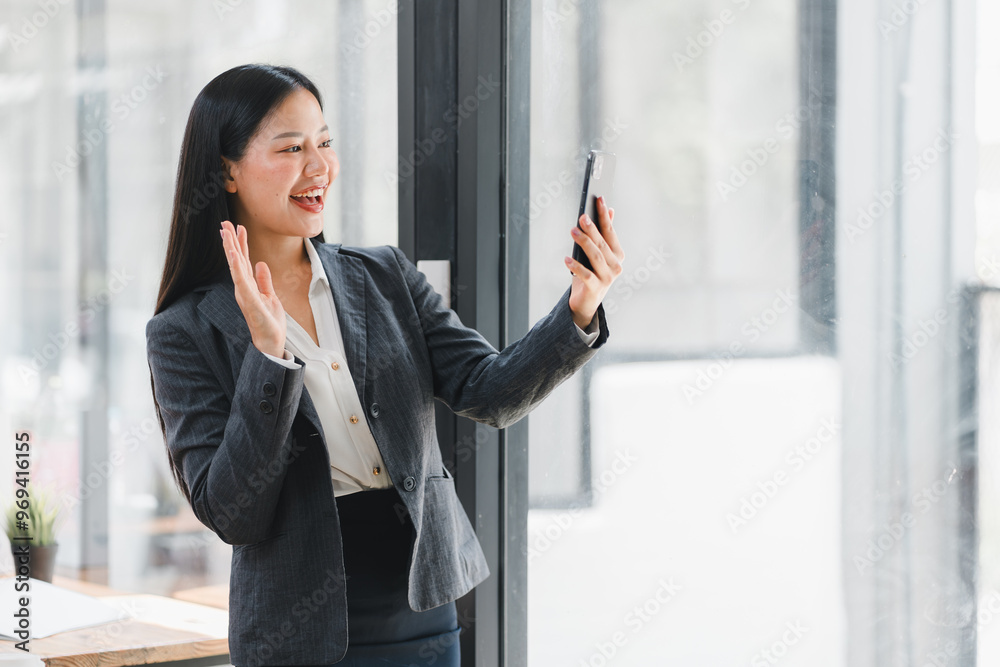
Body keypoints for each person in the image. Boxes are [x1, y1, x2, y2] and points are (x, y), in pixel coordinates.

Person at [145, 63, 624, 667]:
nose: (318, 167)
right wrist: (269, 356)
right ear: (226, 170)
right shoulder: (183, 330)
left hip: (419, 611)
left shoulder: (383, 276)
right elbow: (233, 512)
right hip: (293, 631)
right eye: (291, 148)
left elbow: (491, 392)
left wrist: (581, 306)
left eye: (324, 142)